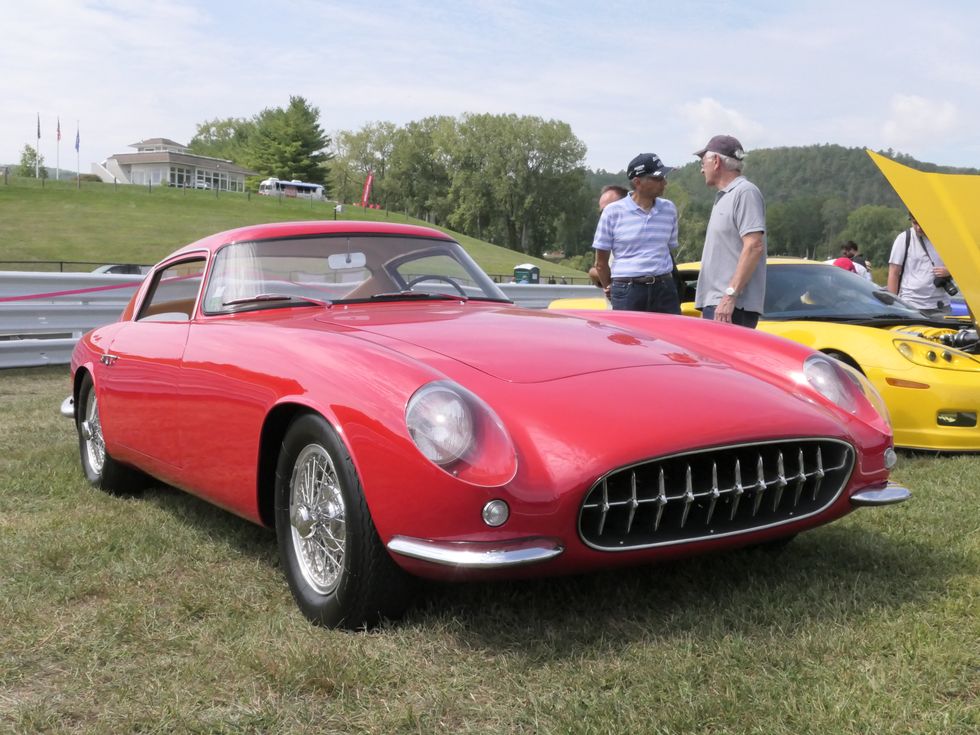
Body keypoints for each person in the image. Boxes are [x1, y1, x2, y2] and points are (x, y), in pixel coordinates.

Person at [693, 135, 767, 328]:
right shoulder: (725, 196)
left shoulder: (745, 192)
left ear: (716, 161)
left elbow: (754, 245)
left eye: (703, 163)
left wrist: (730, 295)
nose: (701, 170)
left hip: (731, 307)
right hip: (720, 304)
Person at [592, 154, 680, 313]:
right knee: (628, 337)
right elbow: (600, 262)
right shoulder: (612, 212)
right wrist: (610, 287)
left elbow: (668, 247)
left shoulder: (669, 209)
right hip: (628, 289)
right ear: (638, 182)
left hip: (664, 288)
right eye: (658, 178)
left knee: (669, 336)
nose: (664, 183)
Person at [887, 213, 952, 316]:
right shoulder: (904, 238)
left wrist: (950, 271)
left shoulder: (944, 239)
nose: (918, 227)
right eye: (914, 223)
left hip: (941, 305)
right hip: (911, 305)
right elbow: (893, 273)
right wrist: (891, 305)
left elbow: (963, 268)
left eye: (922, 223)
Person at [589, 185, 628, 287]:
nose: (605, 216)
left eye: (610, 210)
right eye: (602, 212)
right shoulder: (609, 237)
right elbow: (600, 267)